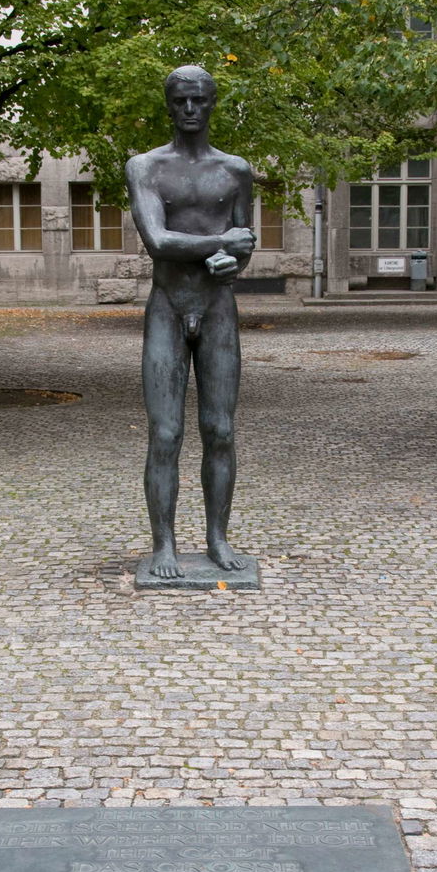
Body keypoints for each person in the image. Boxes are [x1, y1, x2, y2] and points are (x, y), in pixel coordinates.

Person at [125, 65, 256, 579]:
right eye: (180, 101)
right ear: (168, 104)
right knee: (165, 433)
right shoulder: (146, 167)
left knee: (220, 430)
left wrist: (234, 261)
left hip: (219, 307)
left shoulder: (235, 170)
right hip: (168, 308)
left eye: (199, 100)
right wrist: (225, 244)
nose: (190, 110)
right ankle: (164, 545)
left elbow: (245, 244)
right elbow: (157, 240)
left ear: (212, 102)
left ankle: (218, 539)